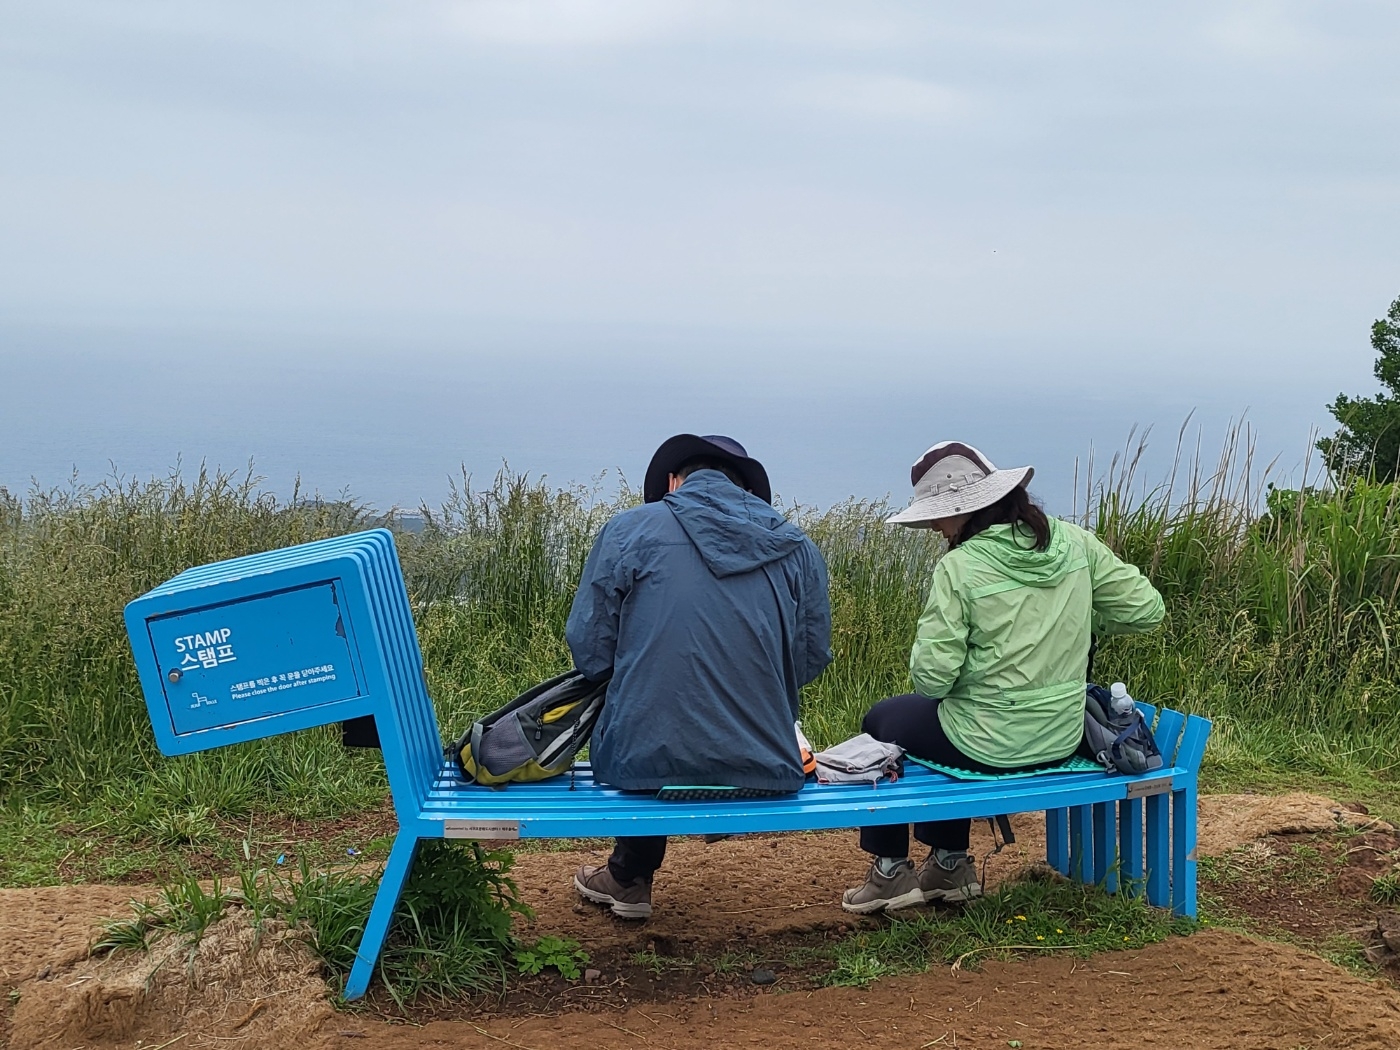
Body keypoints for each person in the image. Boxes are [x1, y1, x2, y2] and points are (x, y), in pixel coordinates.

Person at [842, 441, 1165, 914]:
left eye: (939, 515)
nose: (935, 526)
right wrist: (1081, 620)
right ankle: (949, 866)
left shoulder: (960, 566)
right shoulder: (1077, 544)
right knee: (938, 718)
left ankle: (893, 871)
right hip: (1060, 734)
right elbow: (1146, 610)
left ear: (968, 511)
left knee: (883, 718)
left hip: (987, 744)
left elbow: (933, 680)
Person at [567, 433, 833, 919]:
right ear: (746, 491)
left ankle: (629, 876)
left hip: (637, 761)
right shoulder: (796, 545)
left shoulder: (627, 531)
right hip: (766, 761)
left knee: (647, 705)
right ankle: (627, 873)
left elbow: (590, 652)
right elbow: (811, 658)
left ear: (673, 481)